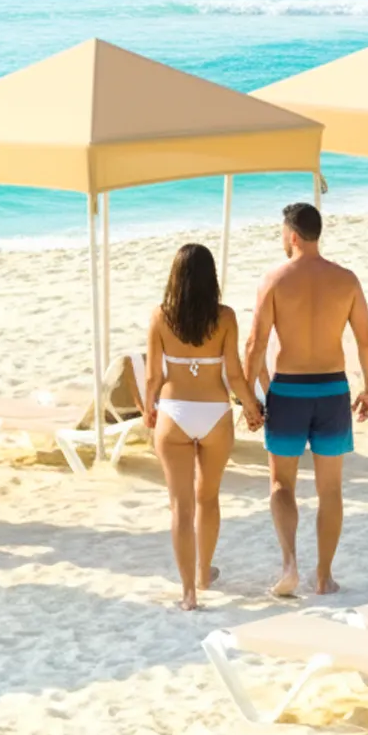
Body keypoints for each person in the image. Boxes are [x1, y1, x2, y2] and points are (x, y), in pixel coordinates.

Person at [244, 202, 368, 597]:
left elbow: (255, 344)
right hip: (333, 390)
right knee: (330, 489)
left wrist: (249, 396)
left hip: (289, 391)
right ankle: (324, 576)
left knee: (281, 484)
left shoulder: (274, 279)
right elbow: (365, 341)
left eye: (283, 234)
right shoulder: (347, 280)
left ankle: (289, 565)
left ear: (293, 236)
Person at [143, 243, 263, 611]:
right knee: (207, 498)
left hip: (174, 411)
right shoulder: (224, 317)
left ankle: (188, 594)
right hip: (213, 412)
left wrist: (150, 410)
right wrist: (252, 406)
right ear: (211, 278)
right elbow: (234, 374)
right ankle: (202, 573)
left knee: (180, 506)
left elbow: (153, 376)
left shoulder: (160, 317)